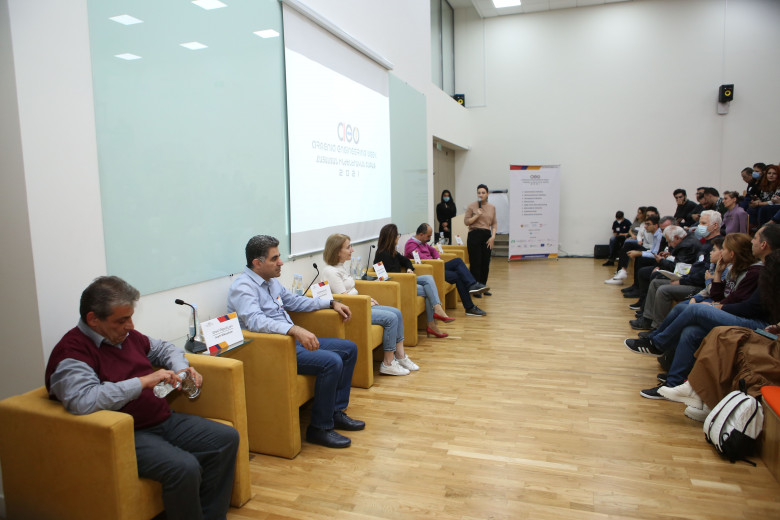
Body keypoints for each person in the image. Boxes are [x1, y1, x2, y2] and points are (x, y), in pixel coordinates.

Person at [45, 276, 239, 520]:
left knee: (225, 438)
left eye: (130, 317)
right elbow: (82, 399)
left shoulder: (126, 337)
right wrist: (142, 382)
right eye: (122, 320)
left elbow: (165, 349)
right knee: (184, 467)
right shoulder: (72, 353)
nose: (130, 326)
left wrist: (181, 369)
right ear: (93, 319)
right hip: (127, 434)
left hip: (161, 419)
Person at [227, 235, 364, 449]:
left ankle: (335, 412)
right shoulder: (243, 287)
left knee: (349, 349)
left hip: (290, 342)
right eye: (274, 258)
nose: (281, 262)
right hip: (272, 349)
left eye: (279, 257)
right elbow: (255, 321)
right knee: (331, 362)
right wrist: (294, 329)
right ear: (257, 263)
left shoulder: (271, 282)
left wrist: (330, 303)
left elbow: (294, 301)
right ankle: (319, 428)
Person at [625, 224, 780, 399]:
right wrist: (717, 277)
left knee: (695, 309)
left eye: (756, 238)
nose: (752, 241)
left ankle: (657, 343)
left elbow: (751, 307)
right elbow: (725, 297)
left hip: (759, 325)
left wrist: (718, 306)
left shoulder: (761, 271)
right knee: (691, 331)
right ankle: (674, 382)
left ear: (764, 244)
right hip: (746, 316)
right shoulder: (752, 269)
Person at [660, 250, 780, 421]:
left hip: (761, 328)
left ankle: (699, 392)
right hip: (768, 329)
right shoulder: (744, 275)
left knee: (724, 334)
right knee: (703, 331)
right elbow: (723, 296)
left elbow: (746, 306)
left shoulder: (754, 275)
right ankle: (698, 393)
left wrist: (718, 305)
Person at [321, 233, 419, 376]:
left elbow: (351, 292)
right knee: (391, 318)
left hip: (359, 304)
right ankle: (388, 363)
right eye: (348, 247)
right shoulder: (330, 272)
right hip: (352, 309)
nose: (352, 250)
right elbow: (344, 299)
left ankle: (400, 356)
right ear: (337, 251)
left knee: (397, 312)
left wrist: (368, 299)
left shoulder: (340, 267)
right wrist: (365, 301)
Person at [373, 224, 458, 331]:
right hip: (398, 284)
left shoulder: (392, 251)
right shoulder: (381, 254)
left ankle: (437, 310)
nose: (398, 238)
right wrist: (406, 277)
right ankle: (432, 323)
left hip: (405, 279)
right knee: (428, 290)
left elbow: (406, 260)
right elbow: (388, 276)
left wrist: (409, 269)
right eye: (397, 235)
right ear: (391, 237)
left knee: (428, 278)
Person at [404, 223, 490, 317]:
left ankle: (472, 286)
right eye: (428, 236)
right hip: (428, 271)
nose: (429, 238)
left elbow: (433, 251)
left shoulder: (422, 242)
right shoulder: (411, 245)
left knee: (457, 261)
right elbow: (422, 258)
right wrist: (436, 262)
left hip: (436, 266)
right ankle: (470, 305)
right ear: (421, 234)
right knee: (458, 276)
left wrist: (438, 259)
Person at [464, 184, 497, 291]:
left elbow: (494, 223)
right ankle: (475, 288)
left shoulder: (492, 207)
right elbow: (466, 222)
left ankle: (483, 286)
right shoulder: (472, 206)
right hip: (474, 235)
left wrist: (493, 237)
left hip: (487, 236)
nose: (481, 195)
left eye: (483, 193)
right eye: (479, 193)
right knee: (475, 263)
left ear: (487, 194)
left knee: (485, 263)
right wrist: (477, 215)